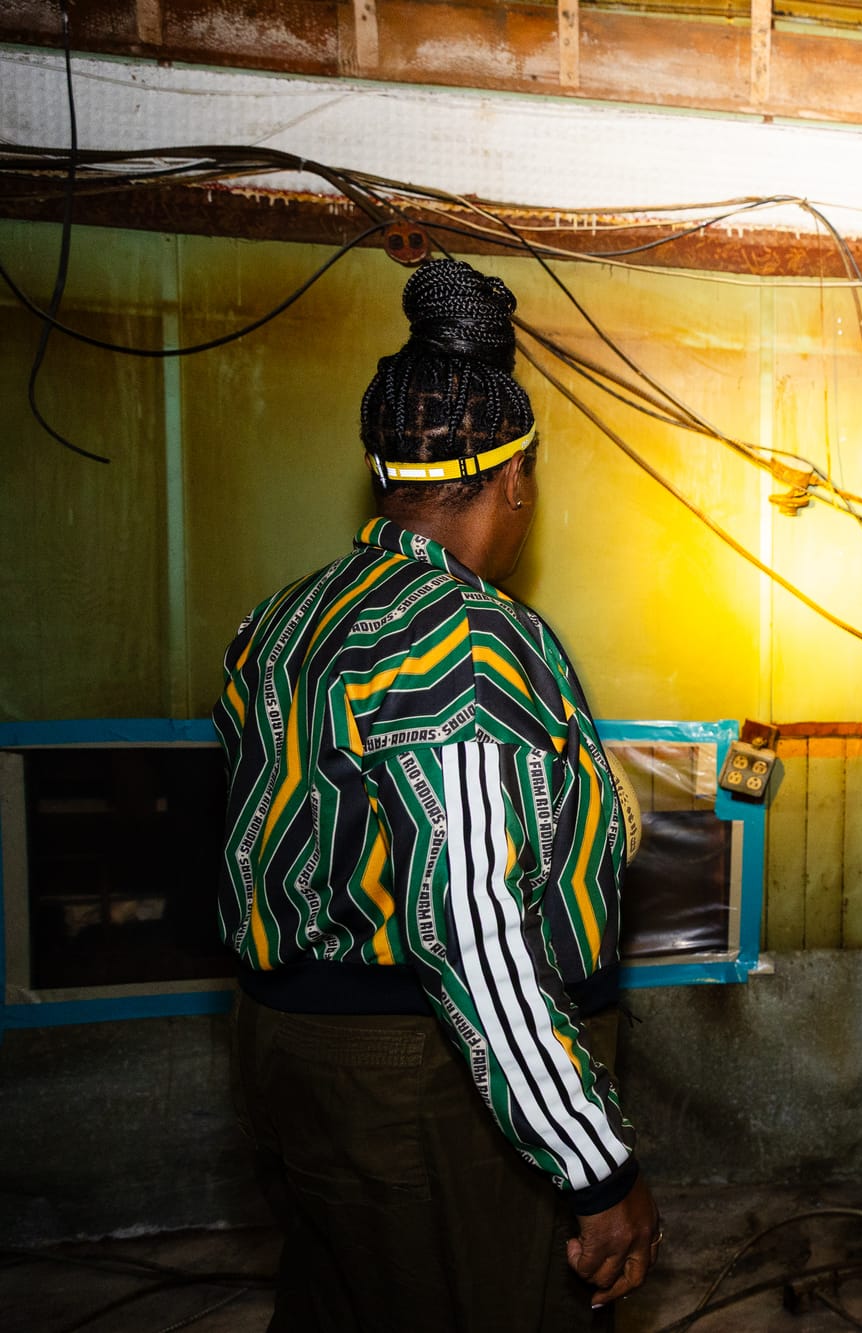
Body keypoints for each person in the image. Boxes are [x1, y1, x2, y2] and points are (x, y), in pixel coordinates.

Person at [214, 259, 659, 1329]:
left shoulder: (286, 616)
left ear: (386, 476)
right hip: (430, 1079)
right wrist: (594, 1167)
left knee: (349, 1296)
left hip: (293, 1052)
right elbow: (470, 931)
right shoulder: (466, 639)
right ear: (516, 479)